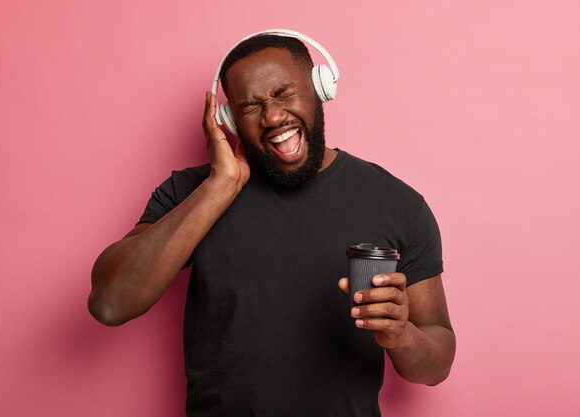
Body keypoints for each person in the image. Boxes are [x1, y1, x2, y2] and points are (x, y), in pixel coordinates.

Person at [88, 30, 456, 417]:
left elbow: (437, 365)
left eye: (283, 94)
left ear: (319, 88)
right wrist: (221, 186)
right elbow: (110, 304)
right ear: (227, 120)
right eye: (249, 106)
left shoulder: (397, 203)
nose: (273, 117)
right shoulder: (189, 192)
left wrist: (401, 335)